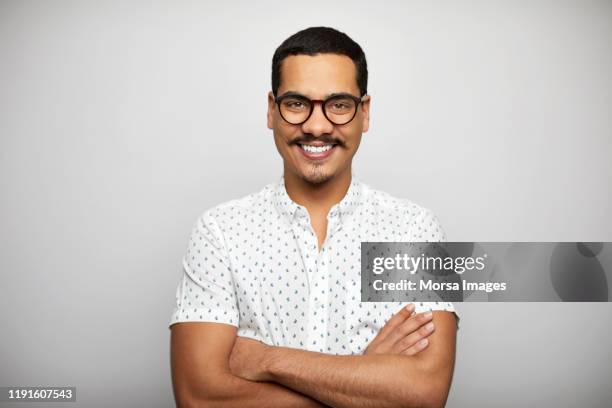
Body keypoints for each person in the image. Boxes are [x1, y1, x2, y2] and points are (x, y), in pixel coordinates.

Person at [169, 26, 458, 408]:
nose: (317, 126)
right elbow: (199, 398)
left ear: (364, 113)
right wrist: (364, 378)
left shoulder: (416, 229)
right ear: (272, 110)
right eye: (296, 103)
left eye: (339, 104)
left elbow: (425, 393)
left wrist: (264, 360)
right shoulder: (219, 232)